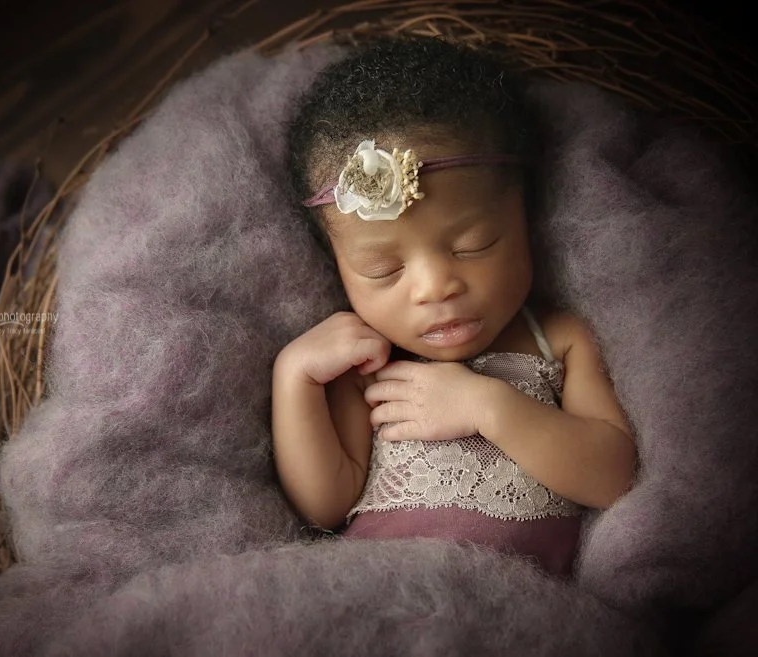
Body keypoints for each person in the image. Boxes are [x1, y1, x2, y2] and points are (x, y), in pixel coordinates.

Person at [271, 35, 637, 576]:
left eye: (473, 246)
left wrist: (489, 408)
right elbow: (324, 507)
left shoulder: (556, 337)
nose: (433, 288)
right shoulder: (366, 363)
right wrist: (293, 378)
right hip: (370, 589)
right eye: (383, 270)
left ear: (524, 218)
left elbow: (613, 477)